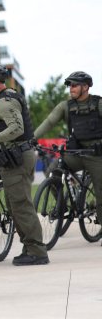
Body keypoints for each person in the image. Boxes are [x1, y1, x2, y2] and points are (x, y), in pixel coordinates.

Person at [0, 63, 49, 265]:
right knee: (15, 205)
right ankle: (30, 247)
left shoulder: (4, 102)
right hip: (15, 156)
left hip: (18, 158)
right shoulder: (4, 99)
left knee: (21, 205)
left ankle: (37, 251)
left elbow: (16, 128)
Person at [33, 71, 102, 234]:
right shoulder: (66, 106)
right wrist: (32, 138)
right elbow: (49, 122)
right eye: (69, 85)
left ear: (85, 87)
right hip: (75, 154)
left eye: (74, 85)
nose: (70, 88)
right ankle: (61, 206)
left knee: (100, 191)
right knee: (53, 171)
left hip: (96, 155)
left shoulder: (98, 103)